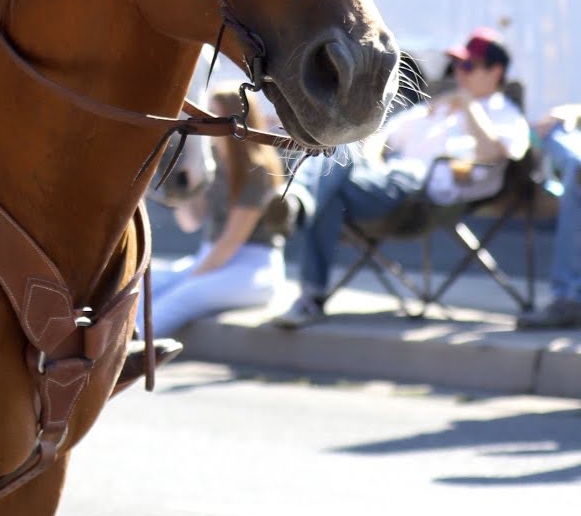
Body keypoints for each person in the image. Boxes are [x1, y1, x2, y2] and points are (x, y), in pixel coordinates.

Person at [279, 28, 529, 326]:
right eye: (455, 66)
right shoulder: (435, 108)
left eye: (468, 66)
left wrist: (469, 107)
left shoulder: (506, 115)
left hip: (424, 191)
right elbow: (378, 138)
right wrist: (370, 163)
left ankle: (296, 205)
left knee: (333, 184)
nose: (458, 74)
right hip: (386, 182)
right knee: (340, 154)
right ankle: (309, 287)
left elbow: (495, 153)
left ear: (495, 71)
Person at [148, 96, 291, 337]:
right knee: (149, 284)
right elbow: (190, 222)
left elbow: (230, 242)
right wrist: (185, 184)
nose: (203, 120)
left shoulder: (256, 169)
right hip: (211, 257)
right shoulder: (212, 163)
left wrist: (191, 277)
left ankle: (134, 347)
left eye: (213, 112)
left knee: (183, 295)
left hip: (252, 267)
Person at [516, 105, 581, 330]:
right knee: (578, 169)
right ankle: (568, 298)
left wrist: (576, 110)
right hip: (546, 136)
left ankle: (569, 299)